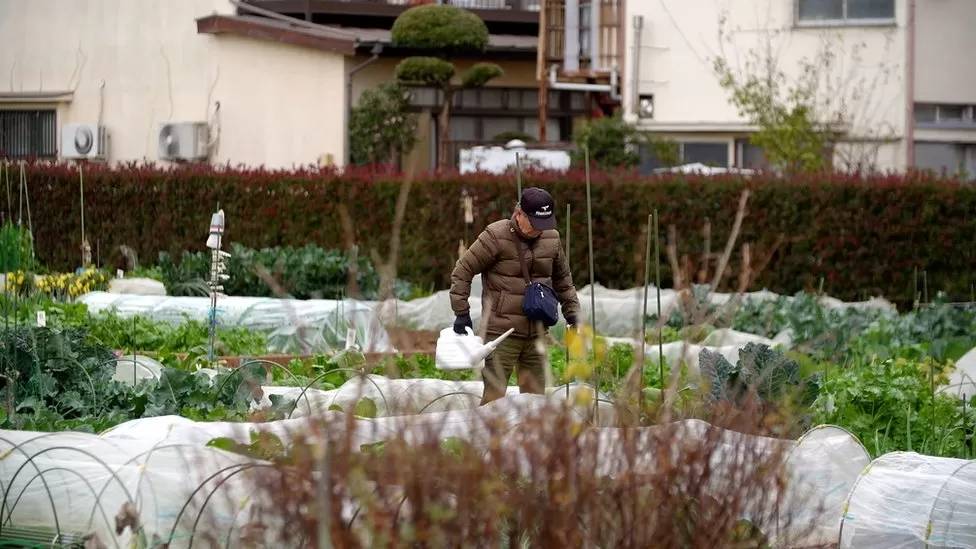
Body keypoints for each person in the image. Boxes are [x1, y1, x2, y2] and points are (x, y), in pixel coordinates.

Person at [450, 187, 580, 404]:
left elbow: (563, 280)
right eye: (535, 224)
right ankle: (489, 438)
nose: (540, 230)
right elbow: (462, 270)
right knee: (494, 400)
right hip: (501, 335)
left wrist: (573, 314)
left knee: (535, 402)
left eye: (545, 224)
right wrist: (461, 312)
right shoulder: (495, 236)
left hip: (537, 332)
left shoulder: (552, 238)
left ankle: (528, 438)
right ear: (519, 214)